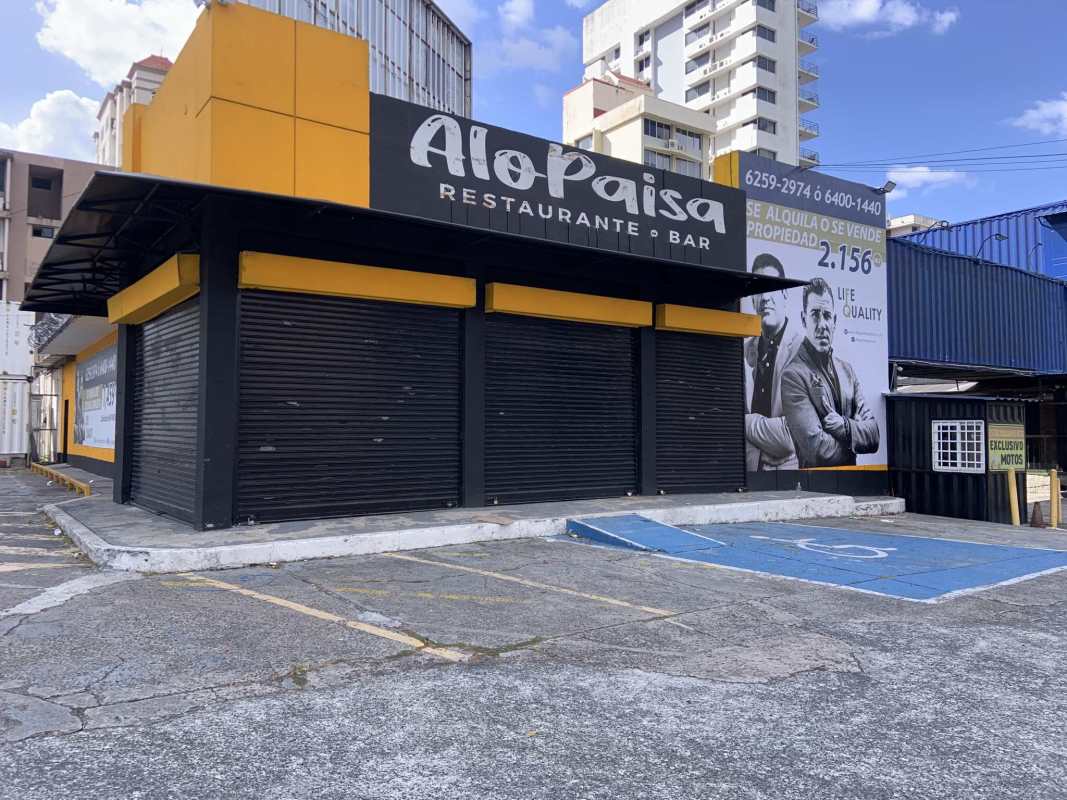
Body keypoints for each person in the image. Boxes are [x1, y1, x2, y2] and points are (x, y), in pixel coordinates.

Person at [781, 277, 879, 467]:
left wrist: (845, 427)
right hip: (815, 489)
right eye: (815, 315)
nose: (822, 325)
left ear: (834, 321)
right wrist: (855, 444)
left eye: (826, 316)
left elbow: (874, 435)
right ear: (803, 319)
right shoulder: (792, 376)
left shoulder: (847, 371)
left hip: (851, 487)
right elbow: (818, 451)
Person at [744, 253, 804, 471]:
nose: (765, 298)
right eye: (759, 291)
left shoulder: (802, 352)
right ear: (752, 299)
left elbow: (790, 436)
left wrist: (744, 422)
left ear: (785, 293)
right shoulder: (744, 351)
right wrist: (759, 454)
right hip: (750, 474)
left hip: (789, 480)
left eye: (771, 288)